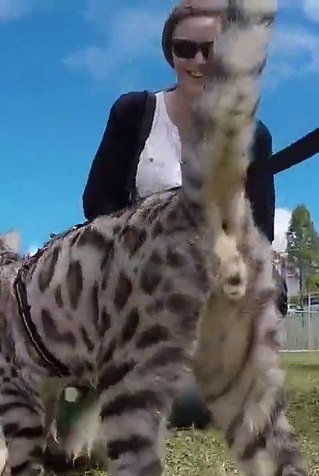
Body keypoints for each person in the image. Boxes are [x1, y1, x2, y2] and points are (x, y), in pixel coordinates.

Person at [75, 1, 280, 431]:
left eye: (212, 49)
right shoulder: (134, 114)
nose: (199, 61)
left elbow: (259, 233)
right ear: (170, 54)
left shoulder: (255, 138)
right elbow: (98, 204)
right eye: (186, 49)